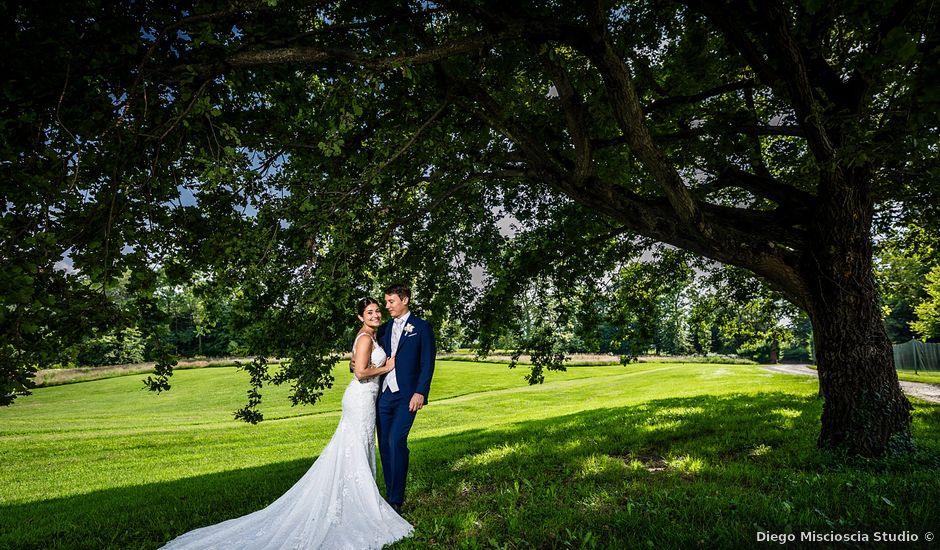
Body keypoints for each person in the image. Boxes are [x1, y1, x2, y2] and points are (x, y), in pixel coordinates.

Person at [160, 297, 413, 550]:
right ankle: (361, 504)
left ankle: (361, 499)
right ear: (360, 317)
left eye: (378, 311)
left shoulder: (369, 337)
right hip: (360, 399)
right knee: (355, 447)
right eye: (369, 312)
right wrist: (386, 367)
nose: (376, 315)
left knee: (359, 447)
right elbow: (359, 372)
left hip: (366, 400)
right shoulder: (366, 337)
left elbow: (353, 365)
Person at [376, 284, 435, 513]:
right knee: (385, 447)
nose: (387, 306)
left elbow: (427, 363)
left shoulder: (421, 327)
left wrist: (421, 392)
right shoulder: (384, 329)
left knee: (396, 441)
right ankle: (390, 493)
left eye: (391, 301)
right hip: (384, 396)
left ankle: (396, 500)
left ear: (405, 300)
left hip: (408, 396)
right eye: (386, 302)